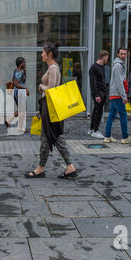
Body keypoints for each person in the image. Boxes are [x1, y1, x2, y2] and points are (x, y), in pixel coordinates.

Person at [25, 42, 77, 179]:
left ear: (50, 54)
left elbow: (52, 90)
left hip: (50, 108)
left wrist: (41, 86)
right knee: (50, 137)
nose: (41, 54)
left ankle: (42, 169)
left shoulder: (53, 68)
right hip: (47, 107)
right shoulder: (52, 68)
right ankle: (49, 168)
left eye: (43, 52)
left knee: (52, 137)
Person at [104, 48, 130, 144]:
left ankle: (107, 136)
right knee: (123, 115)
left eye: (125, 54)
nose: (123, 56)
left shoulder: (117, 65)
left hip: (114, 94)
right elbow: (119, 82)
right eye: (121, 54)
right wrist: (124, 96)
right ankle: (125, 137)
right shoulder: (118, 66)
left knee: (112, 115)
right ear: (117, 54)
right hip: (117, 95)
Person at [5, 57, 29, 133]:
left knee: (21, 109)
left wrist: (24, 71)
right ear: (20, 64)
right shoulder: (19, 72)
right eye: (23, 62)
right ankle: (20, 128)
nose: (25, 64)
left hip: (18, 92)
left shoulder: (18, 70)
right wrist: (25, 88)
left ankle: (9, 121)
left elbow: (13, 80)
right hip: (19, 92)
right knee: (22, 110)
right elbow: (16, 83)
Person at [88, 50, 109, 139]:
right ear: (104, 57)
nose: (107, 59)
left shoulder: (103, 67)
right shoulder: (94, 67)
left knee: (96, 111)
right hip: (98, 93)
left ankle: (92, 129)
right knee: (98, 112)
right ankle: (95, 130)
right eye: (107, 57)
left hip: (102, 92)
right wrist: (96, 95)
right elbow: (93, 83)